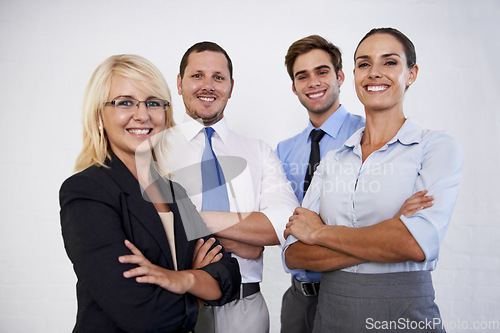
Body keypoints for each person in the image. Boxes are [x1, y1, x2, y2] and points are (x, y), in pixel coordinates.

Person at [283, 27, 463, 332]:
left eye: (390, 62)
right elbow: (295, 253)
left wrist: (319, 233)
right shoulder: (333, 159)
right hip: (331, 313)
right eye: (364, 64)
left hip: (403, 311)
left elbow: (414, 244)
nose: (374, 72)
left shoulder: (435, 147)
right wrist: (387, 231)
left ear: (411, 73)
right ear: (353, 75)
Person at [59, 54, 241, 333]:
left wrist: (182, 280)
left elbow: (229, 274)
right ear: (99, 116)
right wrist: (198, 288)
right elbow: (143, 315)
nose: (142, 115)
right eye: (125, 102)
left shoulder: (173, 191)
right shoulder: (86, 192)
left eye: (153, 102)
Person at [157, 42, 299, 333]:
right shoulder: (155, 150)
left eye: (218, 78)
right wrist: (246, 239)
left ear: (231, 87)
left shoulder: (258, 151)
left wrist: (194, 219)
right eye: (197, 76)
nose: (207, 86)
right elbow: (150, 229)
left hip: (245, 311)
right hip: (177, 306)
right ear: (179, 83)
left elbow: (283, 224)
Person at [276, 35, 365, 333]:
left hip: (350, 292)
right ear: (294, 87)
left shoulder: (367, 135)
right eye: (303, 76)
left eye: (322, 71)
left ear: (340, 76)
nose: (313, 82)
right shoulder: (285, 150)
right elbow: (284, 223)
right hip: (298, 299)